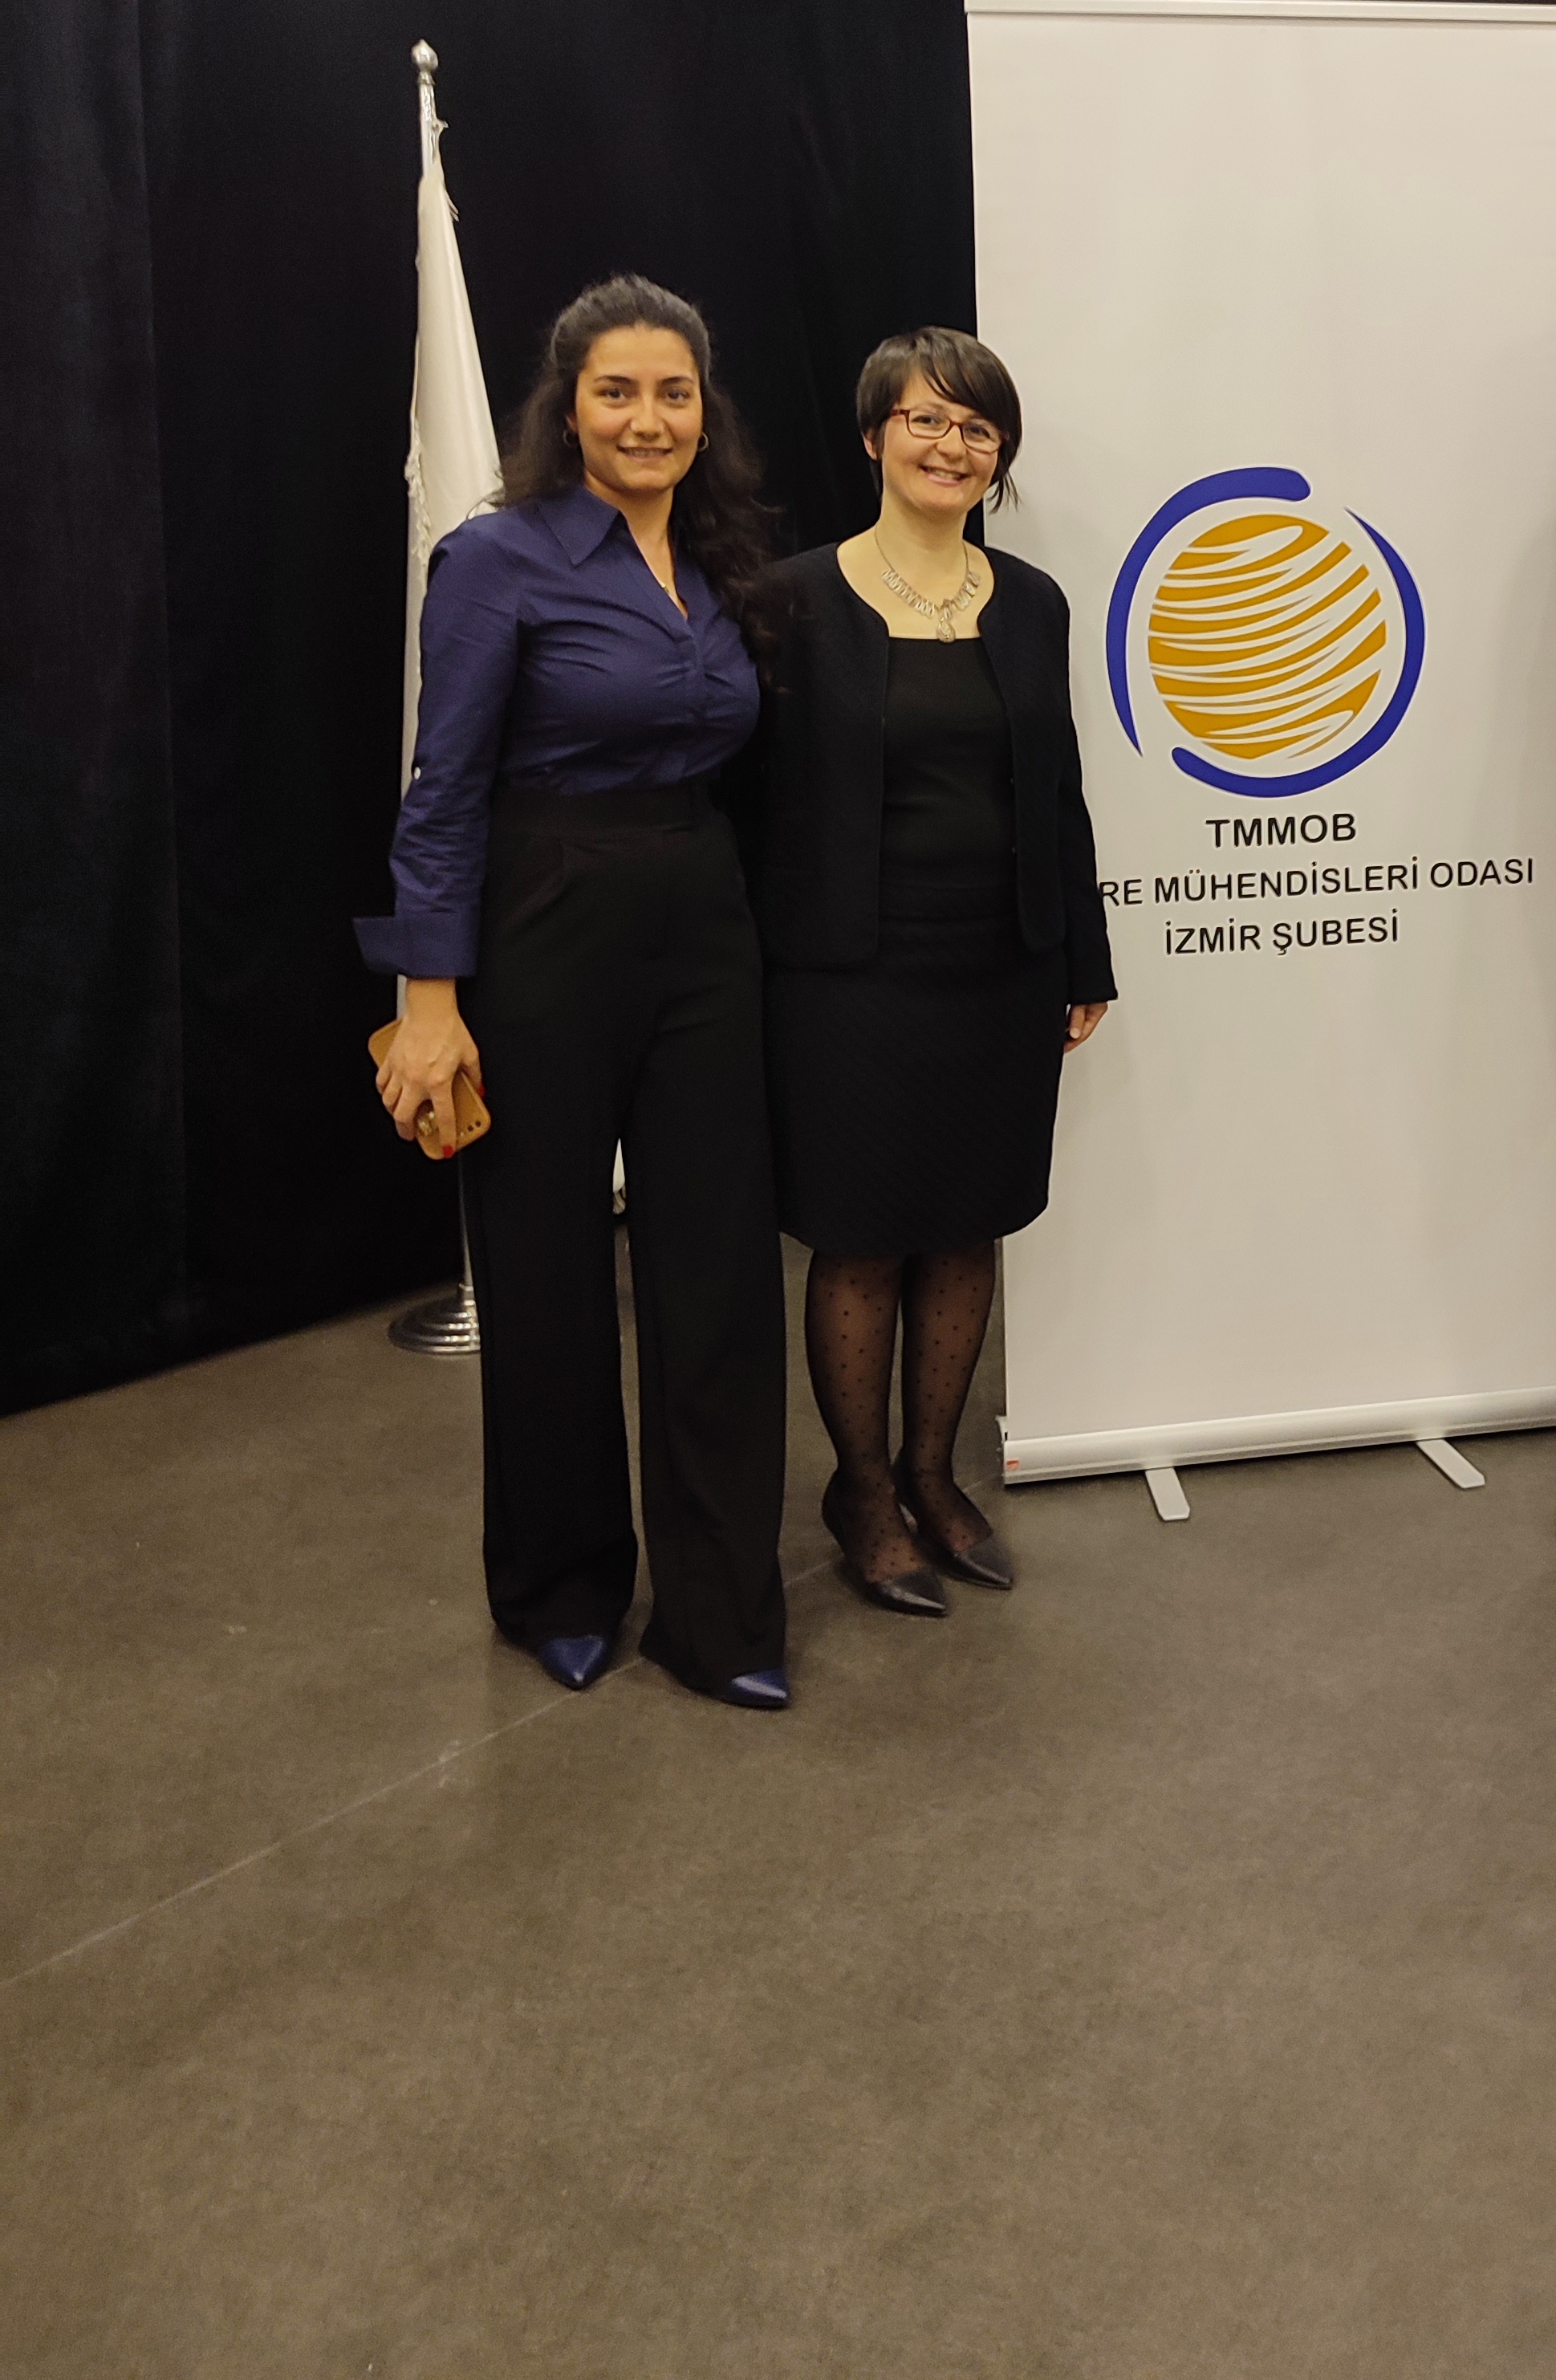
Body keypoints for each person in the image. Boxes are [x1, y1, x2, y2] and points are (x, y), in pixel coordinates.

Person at [360, 275, 791, 1709]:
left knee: (719, 1272)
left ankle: (723, 1617)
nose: (647, 419)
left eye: (674, 392)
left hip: (703, 926)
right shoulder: (499, 558)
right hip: (542, 923)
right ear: (569, 406)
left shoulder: (726, 561)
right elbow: (444, 789)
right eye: (618, 392)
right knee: (545, 1274)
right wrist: (429, 999)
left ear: (704, 410)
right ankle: (559, 1588)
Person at [755, 327, 1113, 1617]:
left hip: (1000, 967)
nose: (950, 445)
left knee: (967, 1222)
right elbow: (754, 803)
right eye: (925, 419)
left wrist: (1084, 953)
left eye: (977, 427)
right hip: (846, 980)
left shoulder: (1034, 602)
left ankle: (932, 1475)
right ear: (873, 436)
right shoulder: (791, 600)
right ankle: (860, 1493)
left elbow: (1058, 788)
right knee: (861, 1238)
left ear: (998, 454)